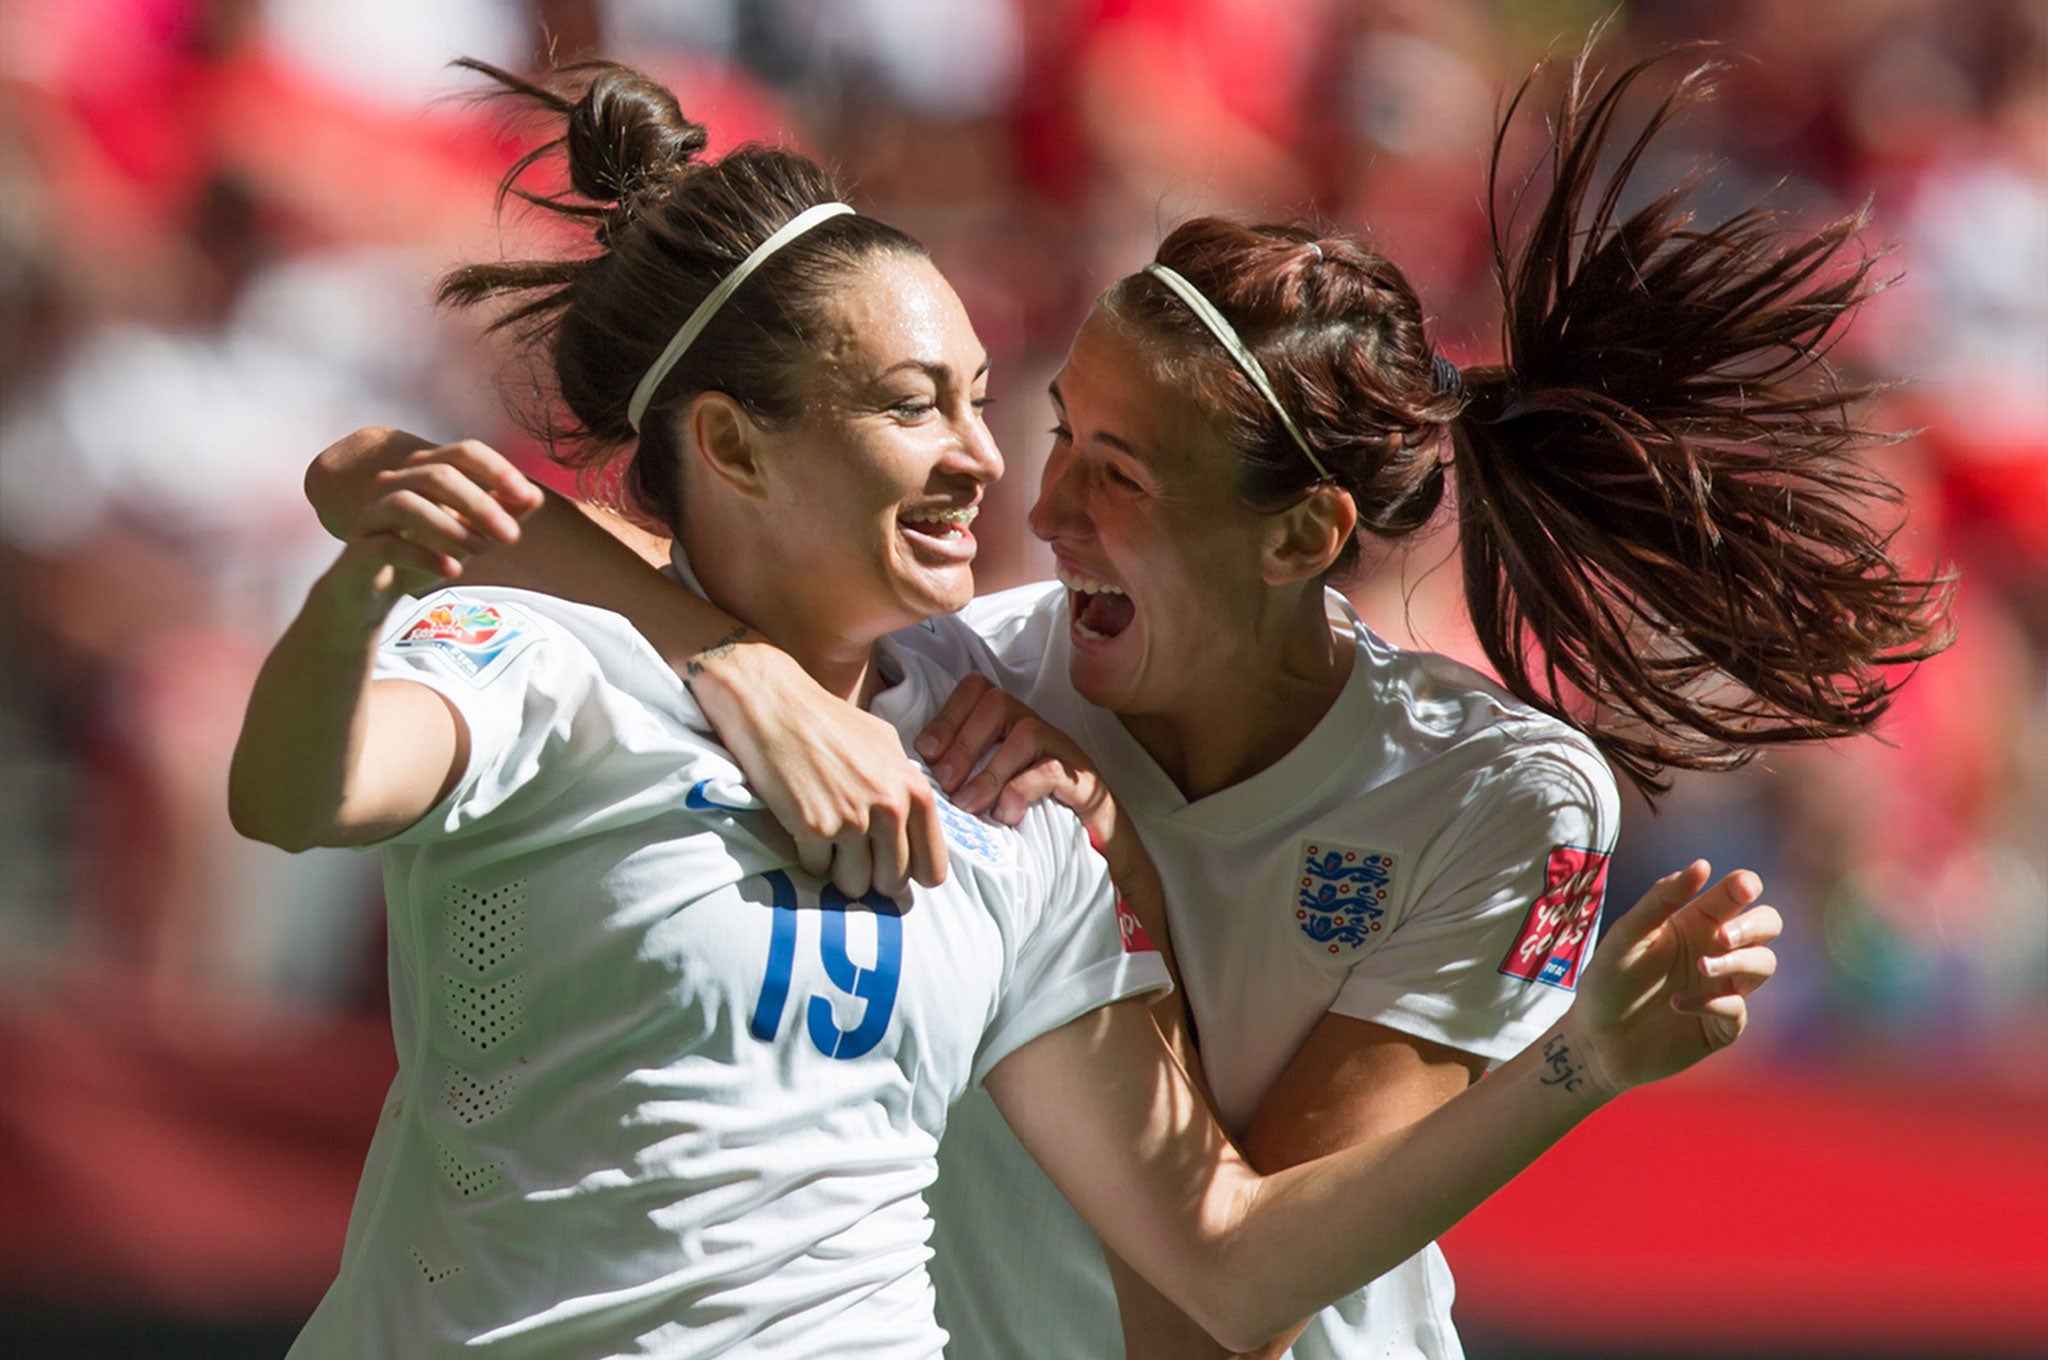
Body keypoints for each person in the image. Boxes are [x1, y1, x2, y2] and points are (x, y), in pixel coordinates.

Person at [274, 53, 1806, 1360]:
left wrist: (1584, 1064)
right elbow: (397, 517)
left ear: (1301, 541)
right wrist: (717, 655)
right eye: (1049, 428)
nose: (1032, 494)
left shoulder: (1487, 796)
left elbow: (1219, 1302)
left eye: (1117, 475)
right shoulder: (961, 682)